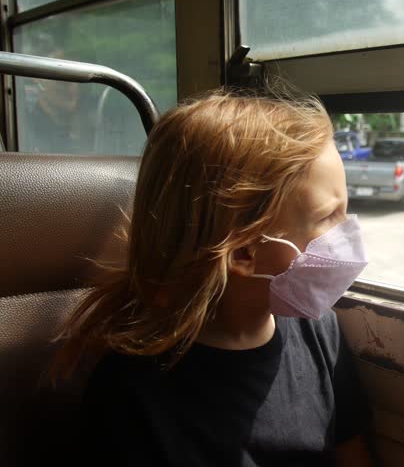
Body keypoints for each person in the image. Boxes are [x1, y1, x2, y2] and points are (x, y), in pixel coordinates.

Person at [48, 90, 374, 466]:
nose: (347, 231)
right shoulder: (131, 395)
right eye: (328, 217)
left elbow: (352, 454)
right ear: (244, 254)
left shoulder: (320, 332)